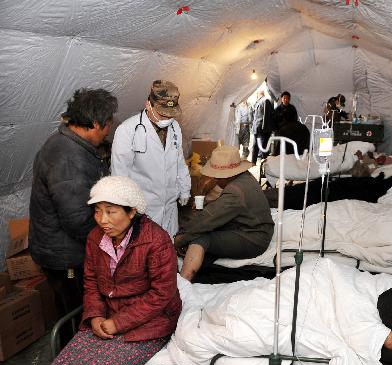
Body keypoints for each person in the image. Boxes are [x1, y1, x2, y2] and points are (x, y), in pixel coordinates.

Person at [42, 176, 182, 365]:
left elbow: (162, 294)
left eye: (110, 211)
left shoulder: (157, 241)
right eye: (97, 211)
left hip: (150, 321)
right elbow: (91, 282)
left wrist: (118, 323)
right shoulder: (95, 238)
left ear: (132, 211)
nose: (102, 220)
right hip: (107, 316)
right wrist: (96, 315)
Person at [29, 88, 118, 346]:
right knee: (77, 311)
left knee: (74, 306)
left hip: (60, 247)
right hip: (63, 255)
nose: (108, 131)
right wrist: (114, 238)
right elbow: (78, 219)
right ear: (94, 124)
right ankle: (75, 360)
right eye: (107, 125)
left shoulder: (71, 143)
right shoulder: (68, 158)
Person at [175, 146, 274, 281]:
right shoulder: (245, 177)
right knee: (203, 233)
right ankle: (200, 267)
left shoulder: (235, 191)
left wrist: (181, 238)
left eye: (217, 177)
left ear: (229, 175)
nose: (215, 179)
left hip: (255, 238)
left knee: (201, 237)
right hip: (254, 229)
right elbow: (218, 210)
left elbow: (206, 220)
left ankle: (183, 283)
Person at [111, 80, 191, 238]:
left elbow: (179, 161)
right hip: (143, 210)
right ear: (148, 104)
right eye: (162, 114)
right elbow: (120, 175)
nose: (167, 118)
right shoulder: (128, 130)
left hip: (169, 208)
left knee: (168, 252)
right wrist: (126, 208)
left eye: (171, 114)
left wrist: (185, 189)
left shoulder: (175, 128)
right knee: (144, 255)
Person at [251, 90, 274, 164]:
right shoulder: (258, 101)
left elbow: (266, 116)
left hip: (262, 130)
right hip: (257, 129)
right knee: (255, 147)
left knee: (264, 148)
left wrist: (264, 129)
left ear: (258, 94)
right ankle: (253, 163)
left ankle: (266, 166)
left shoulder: (265, 100)